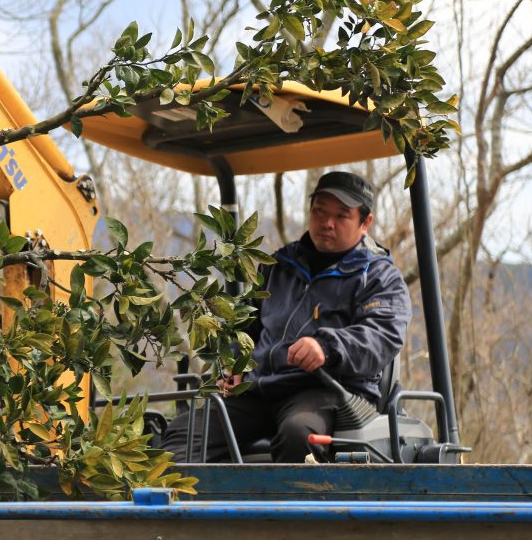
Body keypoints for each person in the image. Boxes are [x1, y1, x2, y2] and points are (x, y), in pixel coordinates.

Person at [162, 170, 411, 462]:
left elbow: (382, 335)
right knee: (184, 432)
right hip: (261, 388)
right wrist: (233, 362)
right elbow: (244, 325)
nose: (327, 223)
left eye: (342, 216)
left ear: (365, 223)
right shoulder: (279, 265)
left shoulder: (379, 277)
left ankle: (287, 508)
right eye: (319, 211)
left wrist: (326, 347)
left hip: (327, 391)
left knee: (298, 434)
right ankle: (188, 506)